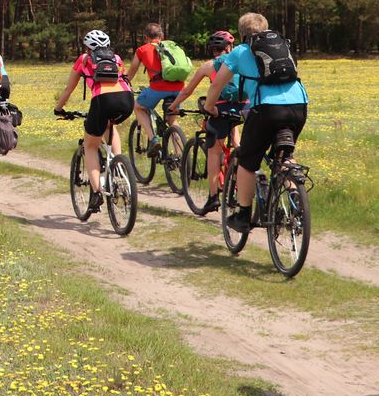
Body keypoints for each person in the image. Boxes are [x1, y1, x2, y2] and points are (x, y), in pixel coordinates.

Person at [203, 12, 308, 234]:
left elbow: (216, 86)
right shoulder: (283, 45)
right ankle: (296, 199)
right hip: (299, 106)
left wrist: (210, 107)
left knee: (247, 161)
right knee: (284, 156)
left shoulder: (240, 51)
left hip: (266, 109)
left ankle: (242, 214)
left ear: (241, 34)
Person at [53, 29, 134, 218]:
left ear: (87, 48)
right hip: (126, 100)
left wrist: (59, 108)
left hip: (102, 100)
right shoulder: (117, 58)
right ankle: (118, 166)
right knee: (110, 126)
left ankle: (97, 192)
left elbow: (69, 89)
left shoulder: (83, 60)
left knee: (90, 145)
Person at [169, 31, 243, 213]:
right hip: (244, 108)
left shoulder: (210, 65)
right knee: (238, 145)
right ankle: (240, 176)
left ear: (212, 50)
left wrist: (174, 106)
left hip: (221, 110)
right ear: (229, 47)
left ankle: (213, 197)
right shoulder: (242, 61)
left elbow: (187, 91)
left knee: (214, 152)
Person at [129, 23, 185, 149]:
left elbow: (132, 72)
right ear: (162, 36)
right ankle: (181, 157)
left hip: (158, 88)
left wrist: (125, 83)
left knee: (138, 107)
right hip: (179, 88)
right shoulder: (172, 47)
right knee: (173, 120)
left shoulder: (142, 50)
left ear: (145, 38)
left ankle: (153, 139)